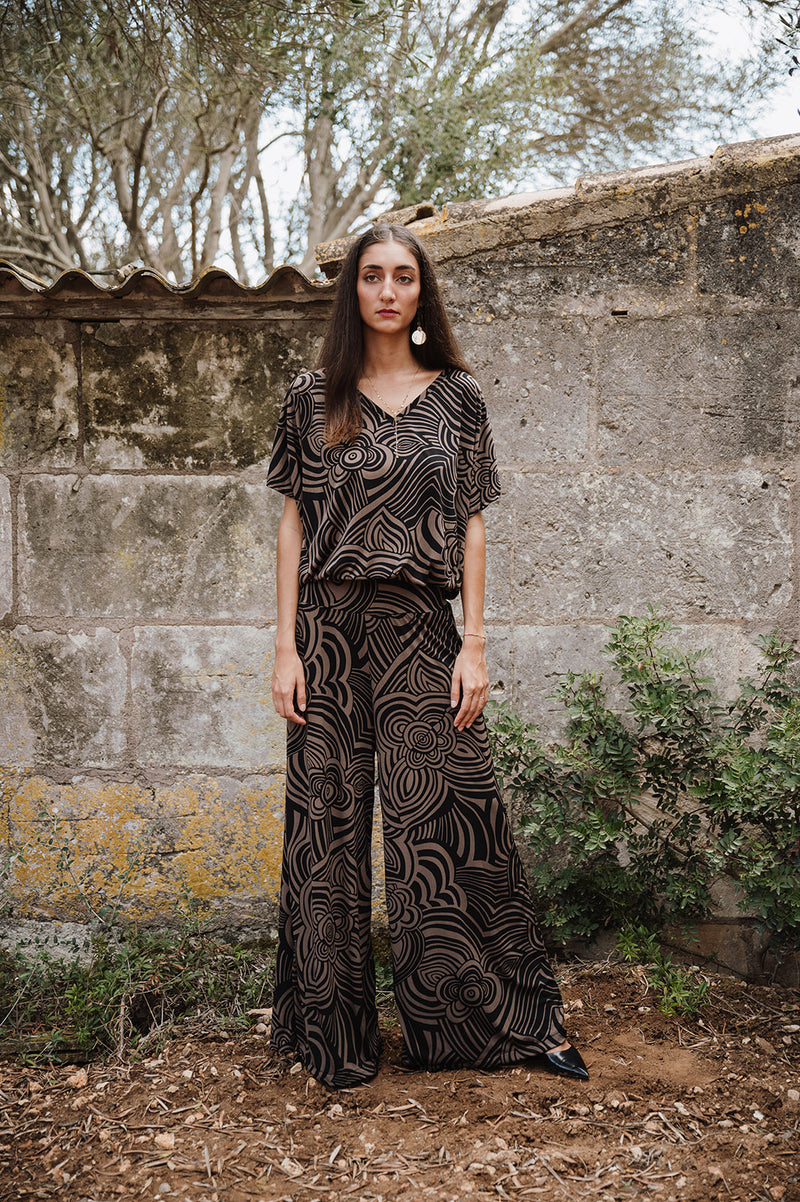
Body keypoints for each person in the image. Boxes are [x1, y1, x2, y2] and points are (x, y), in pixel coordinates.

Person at [266, 222, 589, 1089]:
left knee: (449, 823)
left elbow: (474, 524)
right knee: (327, 832)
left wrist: (474, 646)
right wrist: (284, 645)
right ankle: (332, 1039)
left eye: (403, 276)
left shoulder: (458, 398)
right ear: (353, 291)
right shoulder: (312, 394)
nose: (386, 290)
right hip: (327, 635)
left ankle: (503, 1023)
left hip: (420, 630)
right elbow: (293, 522)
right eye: (371, 276)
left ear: (421, 293)